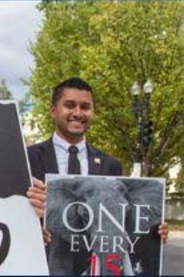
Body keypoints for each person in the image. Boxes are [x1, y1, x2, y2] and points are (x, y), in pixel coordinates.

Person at [26, 77, 168, 272]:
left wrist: (152, 231)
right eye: (69, 105)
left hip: (95, 264)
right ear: (53, 110)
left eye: (85, 107)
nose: (78, 113)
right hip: (39, 263)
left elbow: (117, 219)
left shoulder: (111, 165)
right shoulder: (27, 159)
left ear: (93, 112)